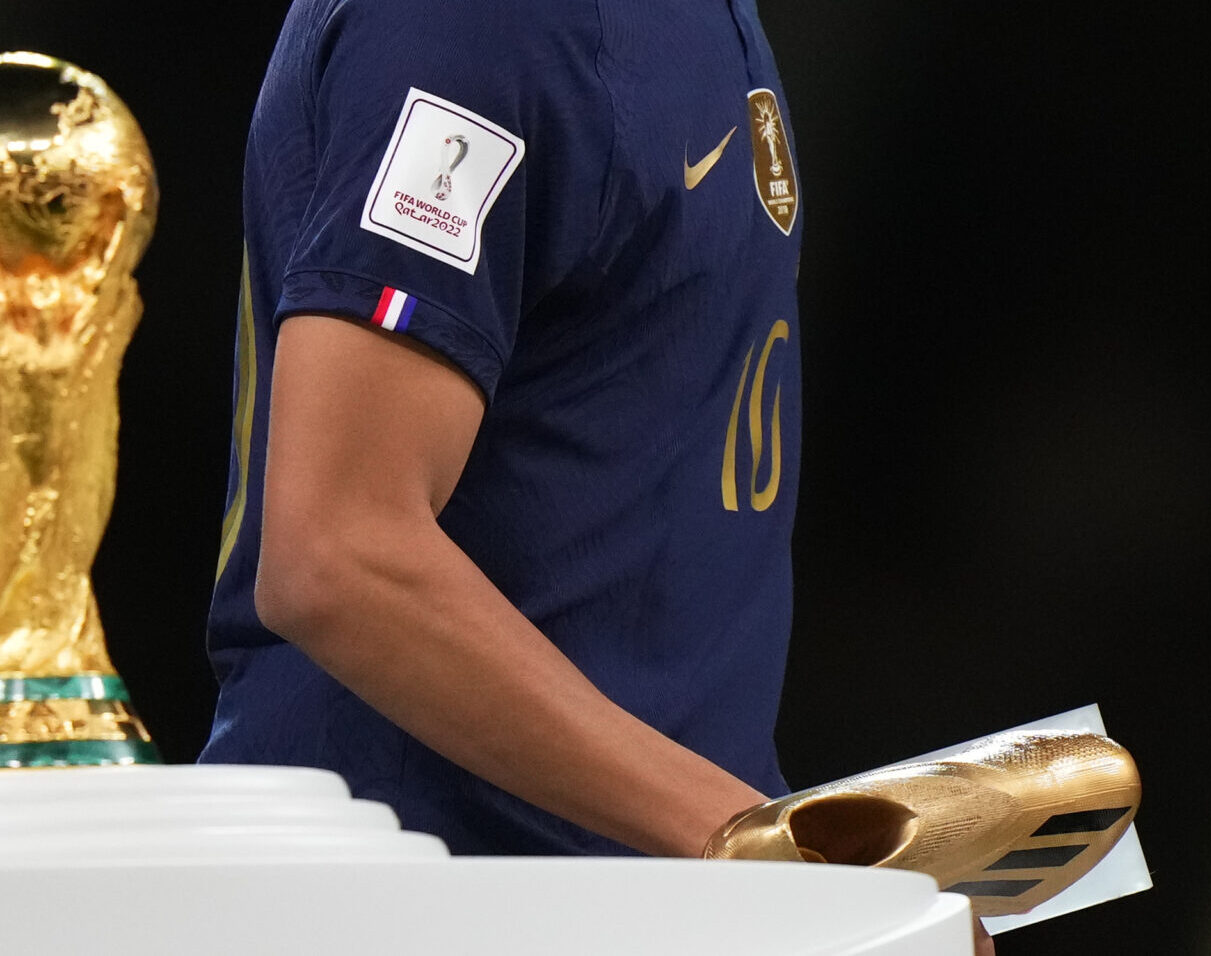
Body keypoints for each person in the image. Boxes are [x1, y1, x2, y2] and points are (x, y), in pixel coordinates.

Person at [202, 0, 802, 865]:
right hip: (428, 892)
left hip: (633, 893)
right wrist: (774, 847)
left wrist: (825, 868)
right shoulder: (478, 21)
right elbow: (338, 553)